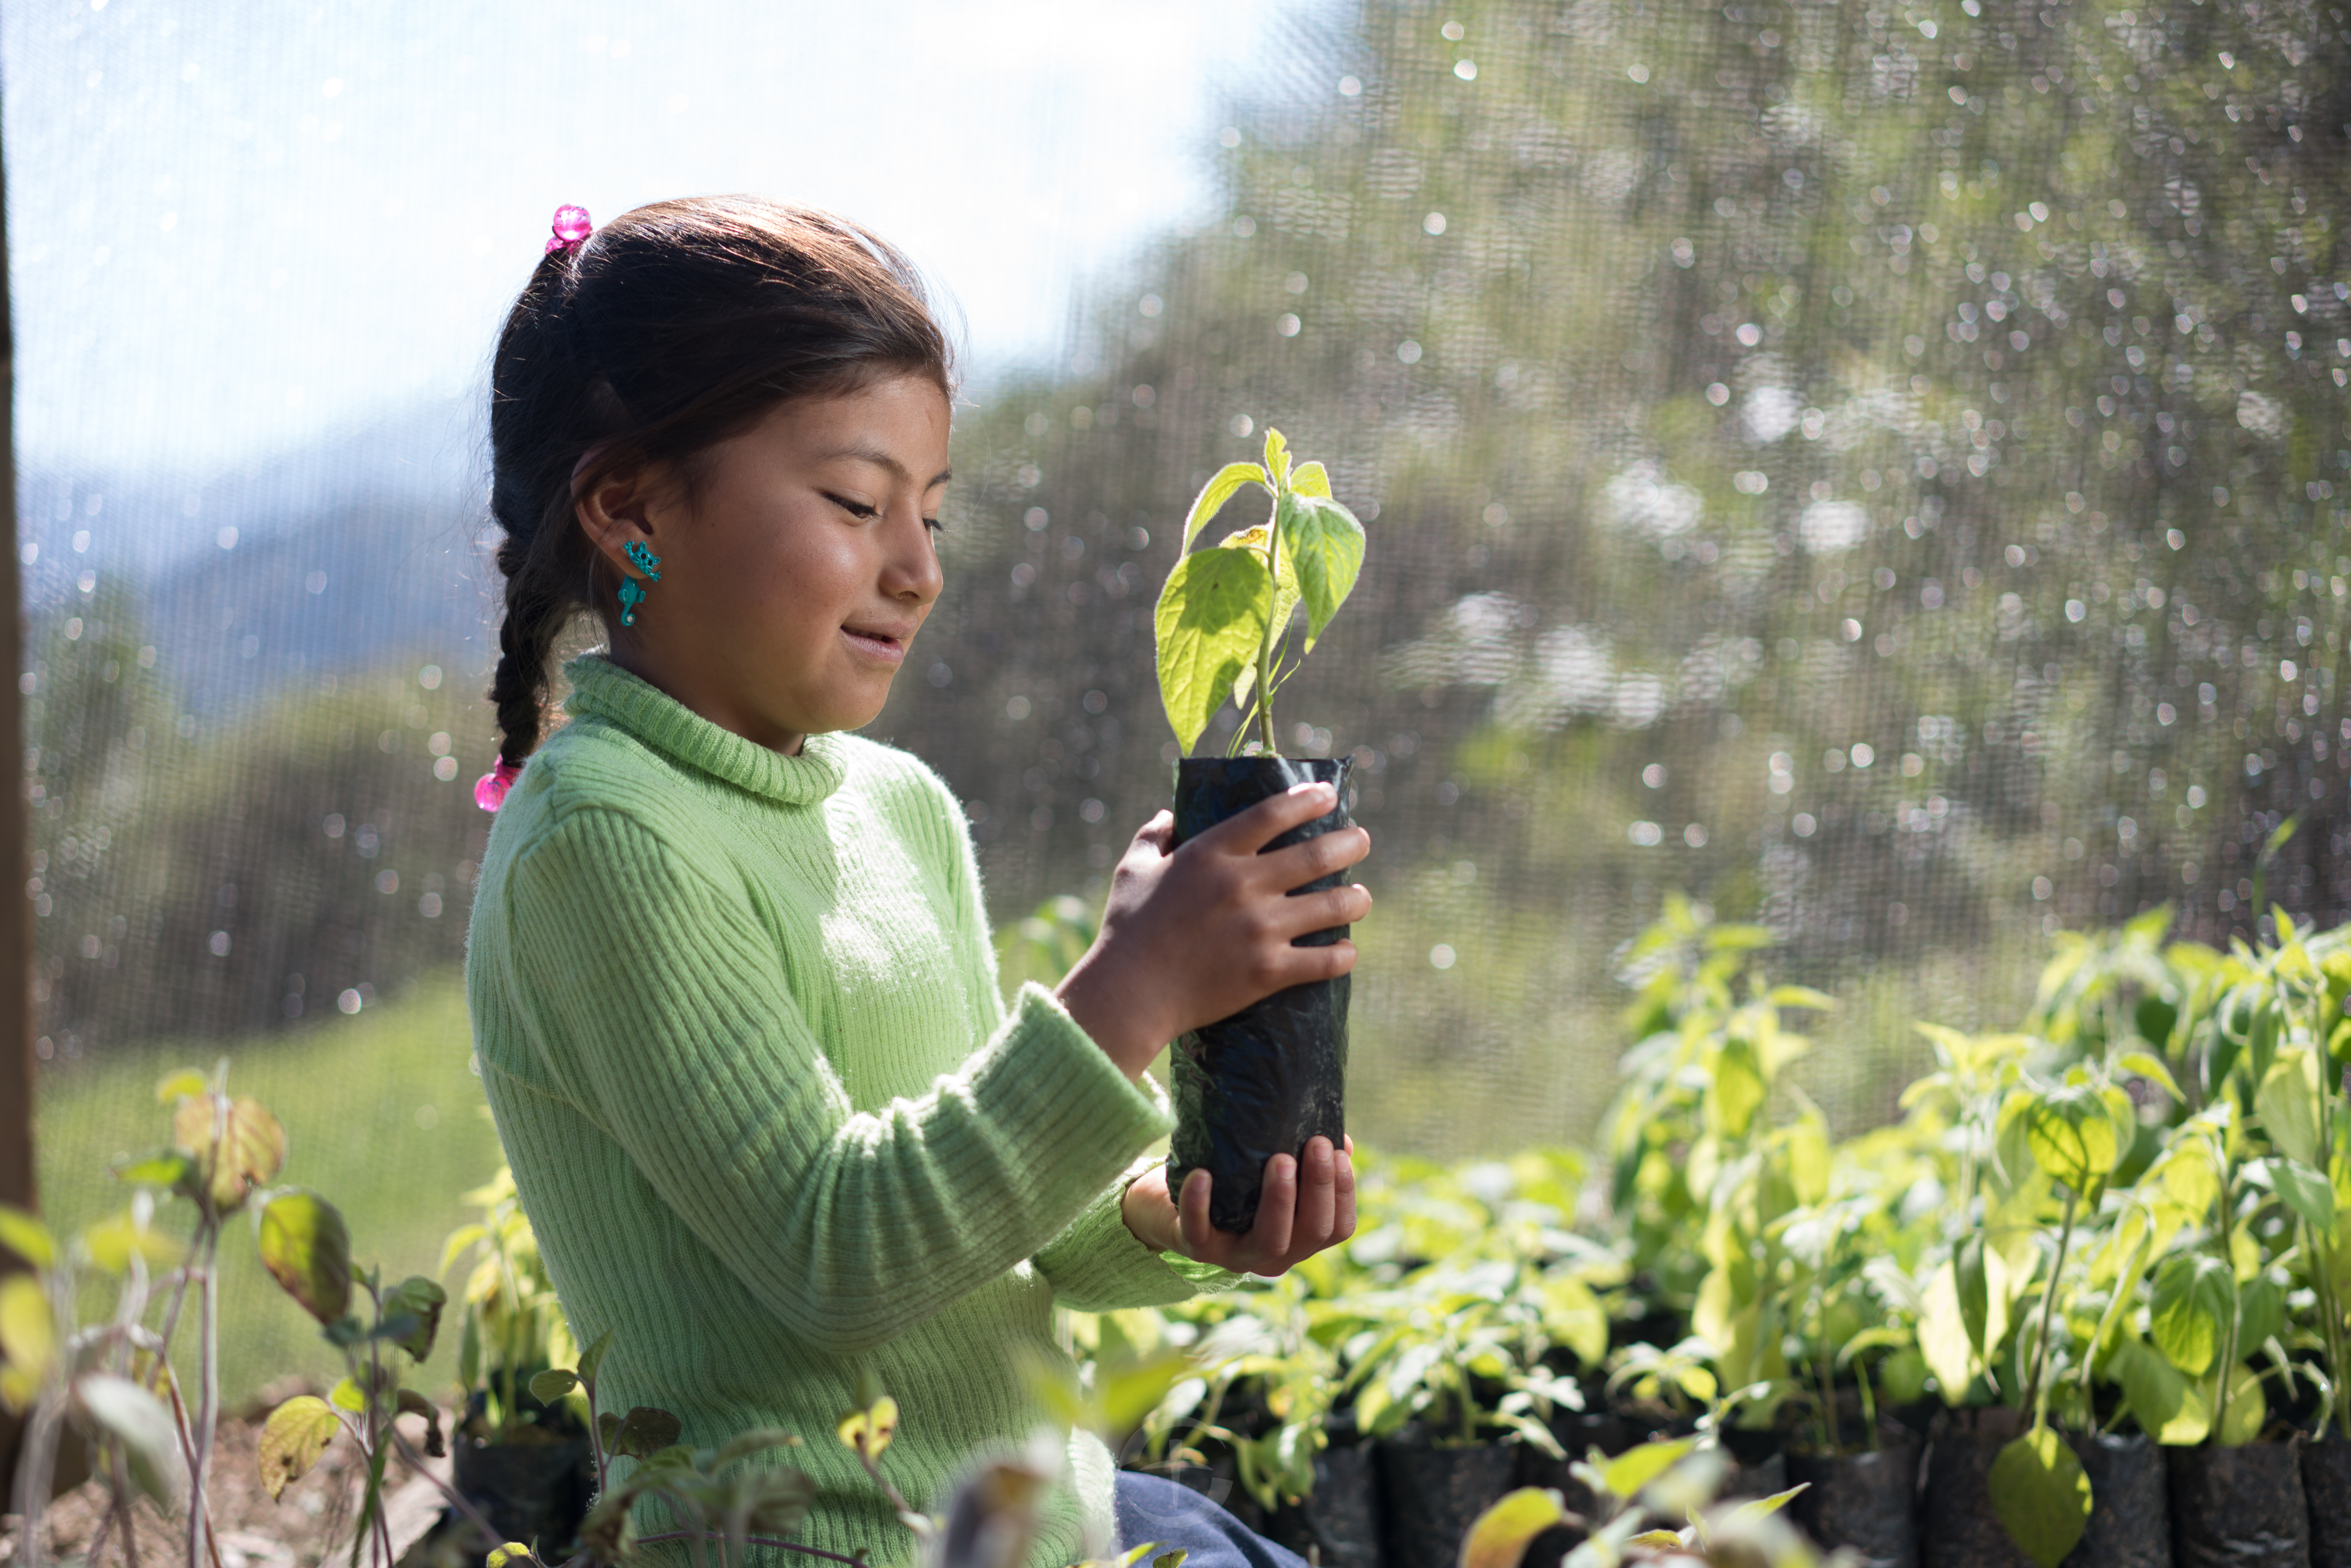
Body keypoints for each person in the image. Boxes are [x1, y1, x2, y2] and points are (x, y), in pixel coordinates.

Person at [464, 196, 1372, 1568]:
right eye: (853, 503)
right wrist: (1131, 988)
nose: (918, 569)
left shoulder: (895, 807)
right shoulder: (602, 839)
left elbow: (1007, 1230)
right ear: (628, 504)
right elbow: (841, 1255)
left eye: (932, 513)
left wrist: (1179, 1211)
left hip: (1046, 1525)